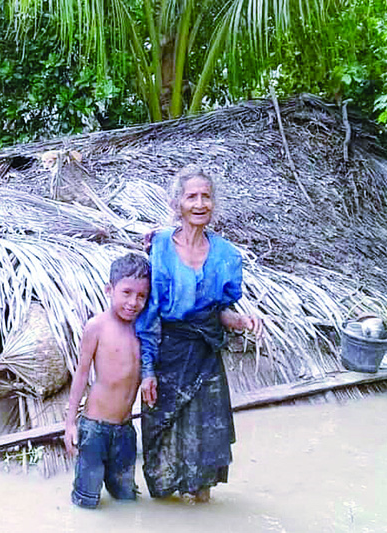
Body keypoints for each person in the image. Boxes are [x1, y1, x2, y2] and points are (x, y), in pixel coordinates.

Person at [135, 166, 262, 502]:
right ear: (178, 203)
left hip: (206, 356)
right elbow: (149, 316)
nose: (200, 203)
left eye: (206, 196)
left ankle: (202, 509)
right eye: (192, 196)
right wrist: (147, 370)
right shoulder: (159, 246)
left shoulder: (225, 255)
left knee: (207, 437)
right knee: (161, 438)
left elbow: (218, 313)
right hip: (168, 354)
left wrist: (243, 321)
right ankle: (166, 508)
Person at [64, 252, 151, 509]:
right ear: (109, 290)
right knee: (86, 501)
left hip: (125, 430)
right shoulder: (97, 326)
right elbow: (81, 375)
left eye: (141, 296)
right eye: (126, 292)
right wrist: (70, 423)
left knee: (126, 499)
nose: (133, 302)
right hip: (94, 429)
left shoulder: (145, 329)